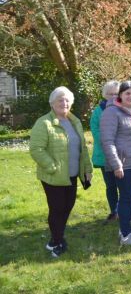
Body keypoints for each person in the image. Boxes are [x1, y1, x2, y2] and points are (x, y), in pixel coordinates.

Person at [30, 86, 93, 257]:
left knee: (68, 206)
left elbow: (83, 150)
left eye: (67, 100)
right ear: (52, 103)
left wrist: (87, 170)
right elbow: (36, 149)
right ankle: (58, 241)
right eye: (60, 100)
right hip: (53, 176)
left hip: (72, 174)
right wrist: (52, 167)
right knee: (57, 208)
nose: (64, 103)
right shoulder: (44, 123)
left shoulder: (75, 122)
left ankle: (55, 238)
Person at [101, 80, 131, 245]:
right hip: (122, 163)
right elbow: (107, 140)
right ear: (120, 95)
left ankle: (126, 230)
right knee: (126, 198)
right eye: (127, 93)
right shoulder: (111, 112)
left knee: (128, 197)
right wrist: (116, 164)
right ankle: (126, 235)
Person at [89, 80, 120, 223]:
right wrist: (110, 146)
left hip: (123, 155)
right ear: (104, 95)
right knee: (111, 185)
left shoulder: (125, 108)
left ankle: (127, 211)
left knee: (125, 186)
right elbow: (96, 131)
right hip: (105, 155)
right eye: (110, 93)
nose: (113, 96)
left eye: (116, 93)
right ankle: (114, 211)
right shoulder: (98, 111)